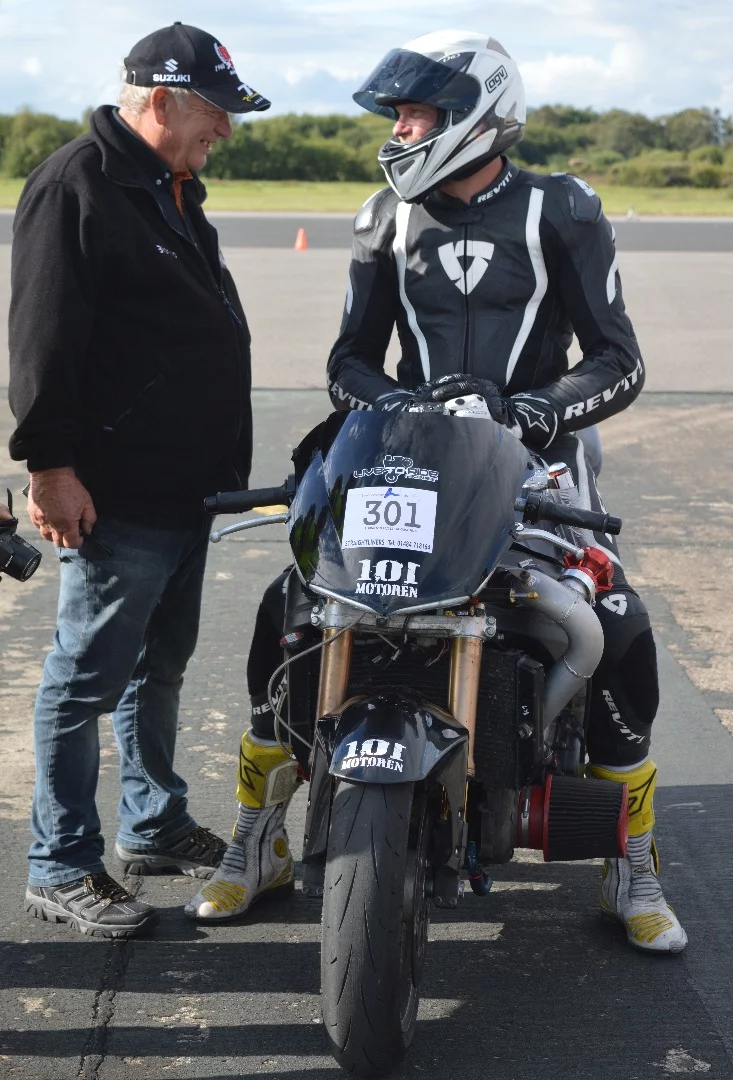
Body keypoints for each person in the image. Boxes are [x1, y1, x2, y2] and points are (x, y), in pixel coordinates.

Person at [186, 30, 687, 955]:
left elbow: (618, 358)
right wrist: (399, 402)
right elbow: (347, 361)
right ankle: (259, 840)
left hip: (532, 468)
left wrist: (533, 410)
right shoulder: (383, 215)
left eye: (417, 113)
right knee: (291, 611)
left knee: (613, 623)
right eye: (399, 115)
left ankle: (633, 856)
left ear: (476, 116)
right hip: (404, 461)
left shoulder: (560, 209)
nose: (402, 130)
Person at [8, 22, 271, 938]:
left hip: (185, 488)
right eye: (216, 112)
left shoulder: (168, 186)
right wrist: (50, 466)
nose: (226, 131)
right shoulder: (80, 182)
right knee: (83, 682)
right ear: (160, 100)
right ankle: (60, 863)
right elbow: (42, 337)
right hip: (115, 491)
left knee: (156, 670)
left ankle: (151, 823)